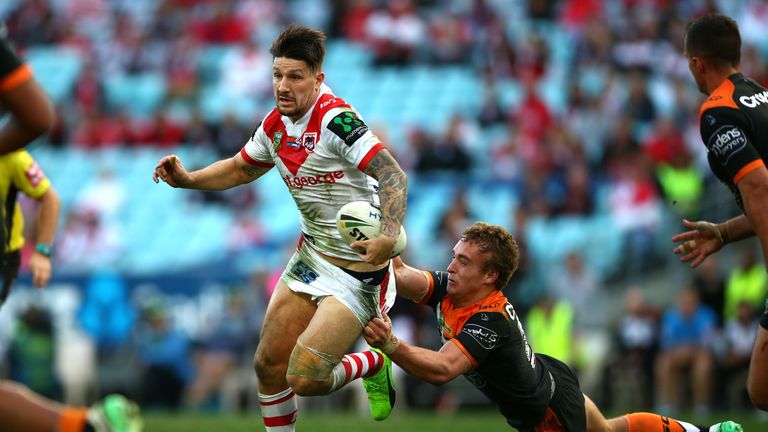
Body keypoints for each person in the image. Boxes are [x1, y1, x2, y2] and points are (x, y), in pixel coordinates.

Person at [153, 25, 408, 429]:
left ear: (317, 78)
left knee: (304, 379)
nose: (282, 86)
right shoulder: (274, 124)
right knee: (267, 365)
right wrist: (188, 179)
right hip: (311, 257)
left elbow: (393, 176)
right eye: (277, 75)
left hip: (359, 273)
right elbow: (240, 168)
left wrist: (389, 235)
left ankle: (373, 361)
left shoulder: (336, 121)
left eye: (294, 76)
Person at [365, 221, 742, 432]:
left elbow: (442, 370)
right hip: (549, 378)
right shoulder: (454, 286)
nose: (451, 266)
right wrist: (386, 238)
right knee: (610, 431)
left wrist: (392, 345)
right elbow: (401, 278)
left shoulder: (490, 318)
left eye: (463, 261)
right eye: (454, 257)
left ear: (490, 275)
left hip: (547, 415)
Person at [0, 24, 143, 432]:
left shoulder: (12, 158)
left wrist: (43, 252)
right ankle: (88, 425)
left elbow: (50, 197)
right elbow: (38, 115)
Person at [671, 13, 768, 410]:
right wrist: (724, 232)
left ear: (697, 64)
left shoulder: (716, 111)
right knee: (761, 390)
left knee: (762, 390)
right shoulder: (761, 95)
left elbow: (760, 185)